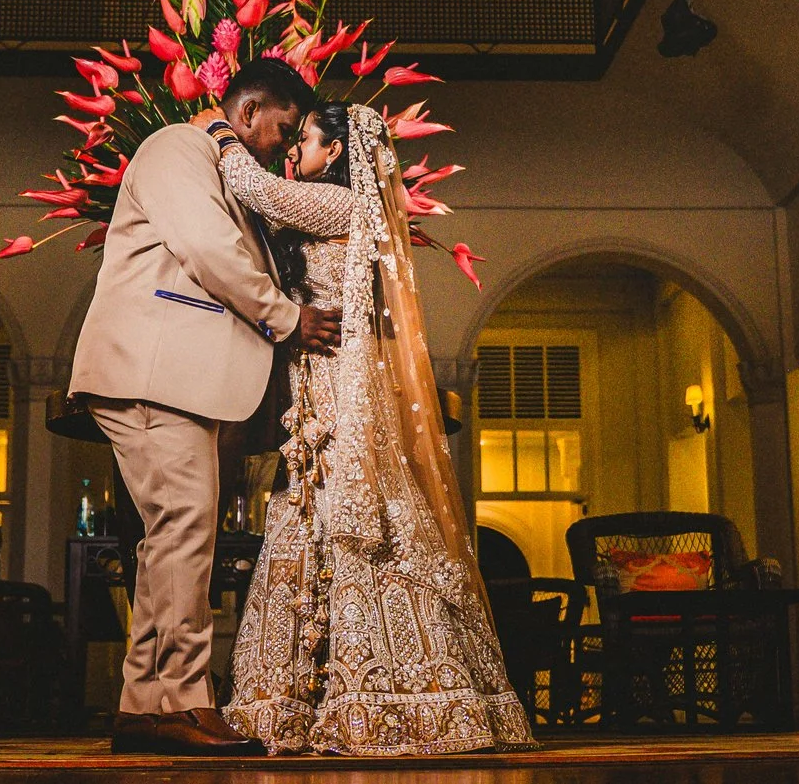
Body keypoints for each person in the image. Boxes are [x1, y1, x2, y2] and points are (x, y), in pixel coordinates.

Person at [211, 101, 533, 754]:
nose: (293, 149)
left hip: (342, 395)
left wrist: (216, 128)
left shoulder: (348, 206)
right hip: (311, 393)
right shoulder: (324, 213)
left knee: (355, 526)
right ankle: (300, 699)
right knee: (306, 525)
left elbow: (250, 185)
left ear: (337, 152)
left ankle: (387, 698)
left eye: (303, 137)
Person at [66, 58, 342, 756]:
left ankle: (141, 704)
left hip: (172, 375)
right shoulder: (176, 148)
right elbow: (206, 246)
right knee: (187, 526)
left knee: (171, 537)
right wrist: (286, 316)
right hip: (153, 370)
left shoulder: (224, 171)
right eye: (283, 127)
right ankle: (186, 702)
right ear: (247, 110)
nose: (284, 145)